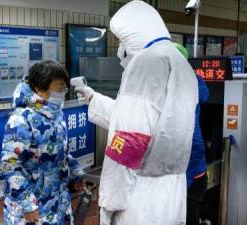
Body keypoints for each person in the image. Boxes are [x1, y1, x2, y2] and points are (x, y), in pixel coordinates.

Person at [75, 1, 198, 224]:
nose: (120, 47)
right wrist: (94, 98)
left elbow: (130, 139)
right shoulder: (179, 62)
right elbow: (150, 123)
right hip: (170, 195)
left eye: (120, 39)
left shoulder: (145, 63)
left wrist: (109, 203)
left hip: (138, 199)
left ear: (134, 34)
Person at [0, 60, 85, 225]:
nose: (61, 92)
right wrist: (28, 204)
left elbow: (61, 152)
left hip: (58, 204)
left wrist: (75, 172)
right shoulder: (21, 119)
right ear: (38, 88)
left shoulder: (57, 113)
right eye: (57, 88)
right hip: (33, 210)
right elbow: (9, 165)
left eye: (64, 88)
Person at [174, 43, 209, 225]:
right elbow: (205, 96)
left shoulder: (176, 83)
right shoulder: (195, 81)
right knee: (189, 211)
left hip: (189, 162)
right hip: (194, 163)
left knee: (188, 211)